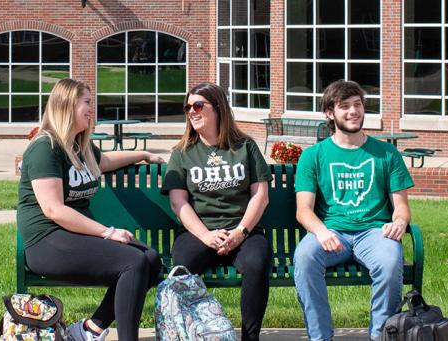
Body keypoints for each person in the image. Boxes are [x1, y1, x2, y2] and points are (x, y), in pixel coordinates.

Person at [16, 78, 166, 341]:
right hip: (46, 241)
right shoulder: (45, 148)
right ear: (67, 105)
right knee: (133, 262)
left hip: (73, 237)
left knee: (151, 260)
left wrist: (142, 154)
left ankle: (90, 330)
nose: (91, 109)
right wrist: (108, 232)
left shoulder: (77, 145)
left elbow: (105, 161)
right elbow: (54, 210)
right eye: (86, 103)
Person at [291, 80, 414, 341]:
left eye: (357, 104)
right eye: (344, 106)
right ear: (329, 113)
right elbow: (304, 211)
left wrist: (400, 222)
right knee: (304, 258)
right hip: (331, 232)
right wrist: (322, 232)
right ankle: (320, 336)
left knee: (391, 261)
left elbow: (401, 206)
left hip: (373, 232)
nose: (353, 111)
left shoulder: (386, 153)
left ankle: (381, 335)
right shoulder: (313, 155)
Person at [162, 82, 272, 341]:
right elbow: (179, 203)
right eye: (188, 107)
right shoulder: (182, 153)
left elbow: (261, 195)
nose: (192, 111)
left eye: (198, 105)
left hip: (243, 230)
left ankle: (250, 336)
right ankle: (191, 334)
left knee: (257, 263)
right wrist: (205, 235)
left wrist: (241, 232)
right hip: (198, 231)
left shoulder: (245, 147)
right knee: (183, 268)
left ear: (219, 108)